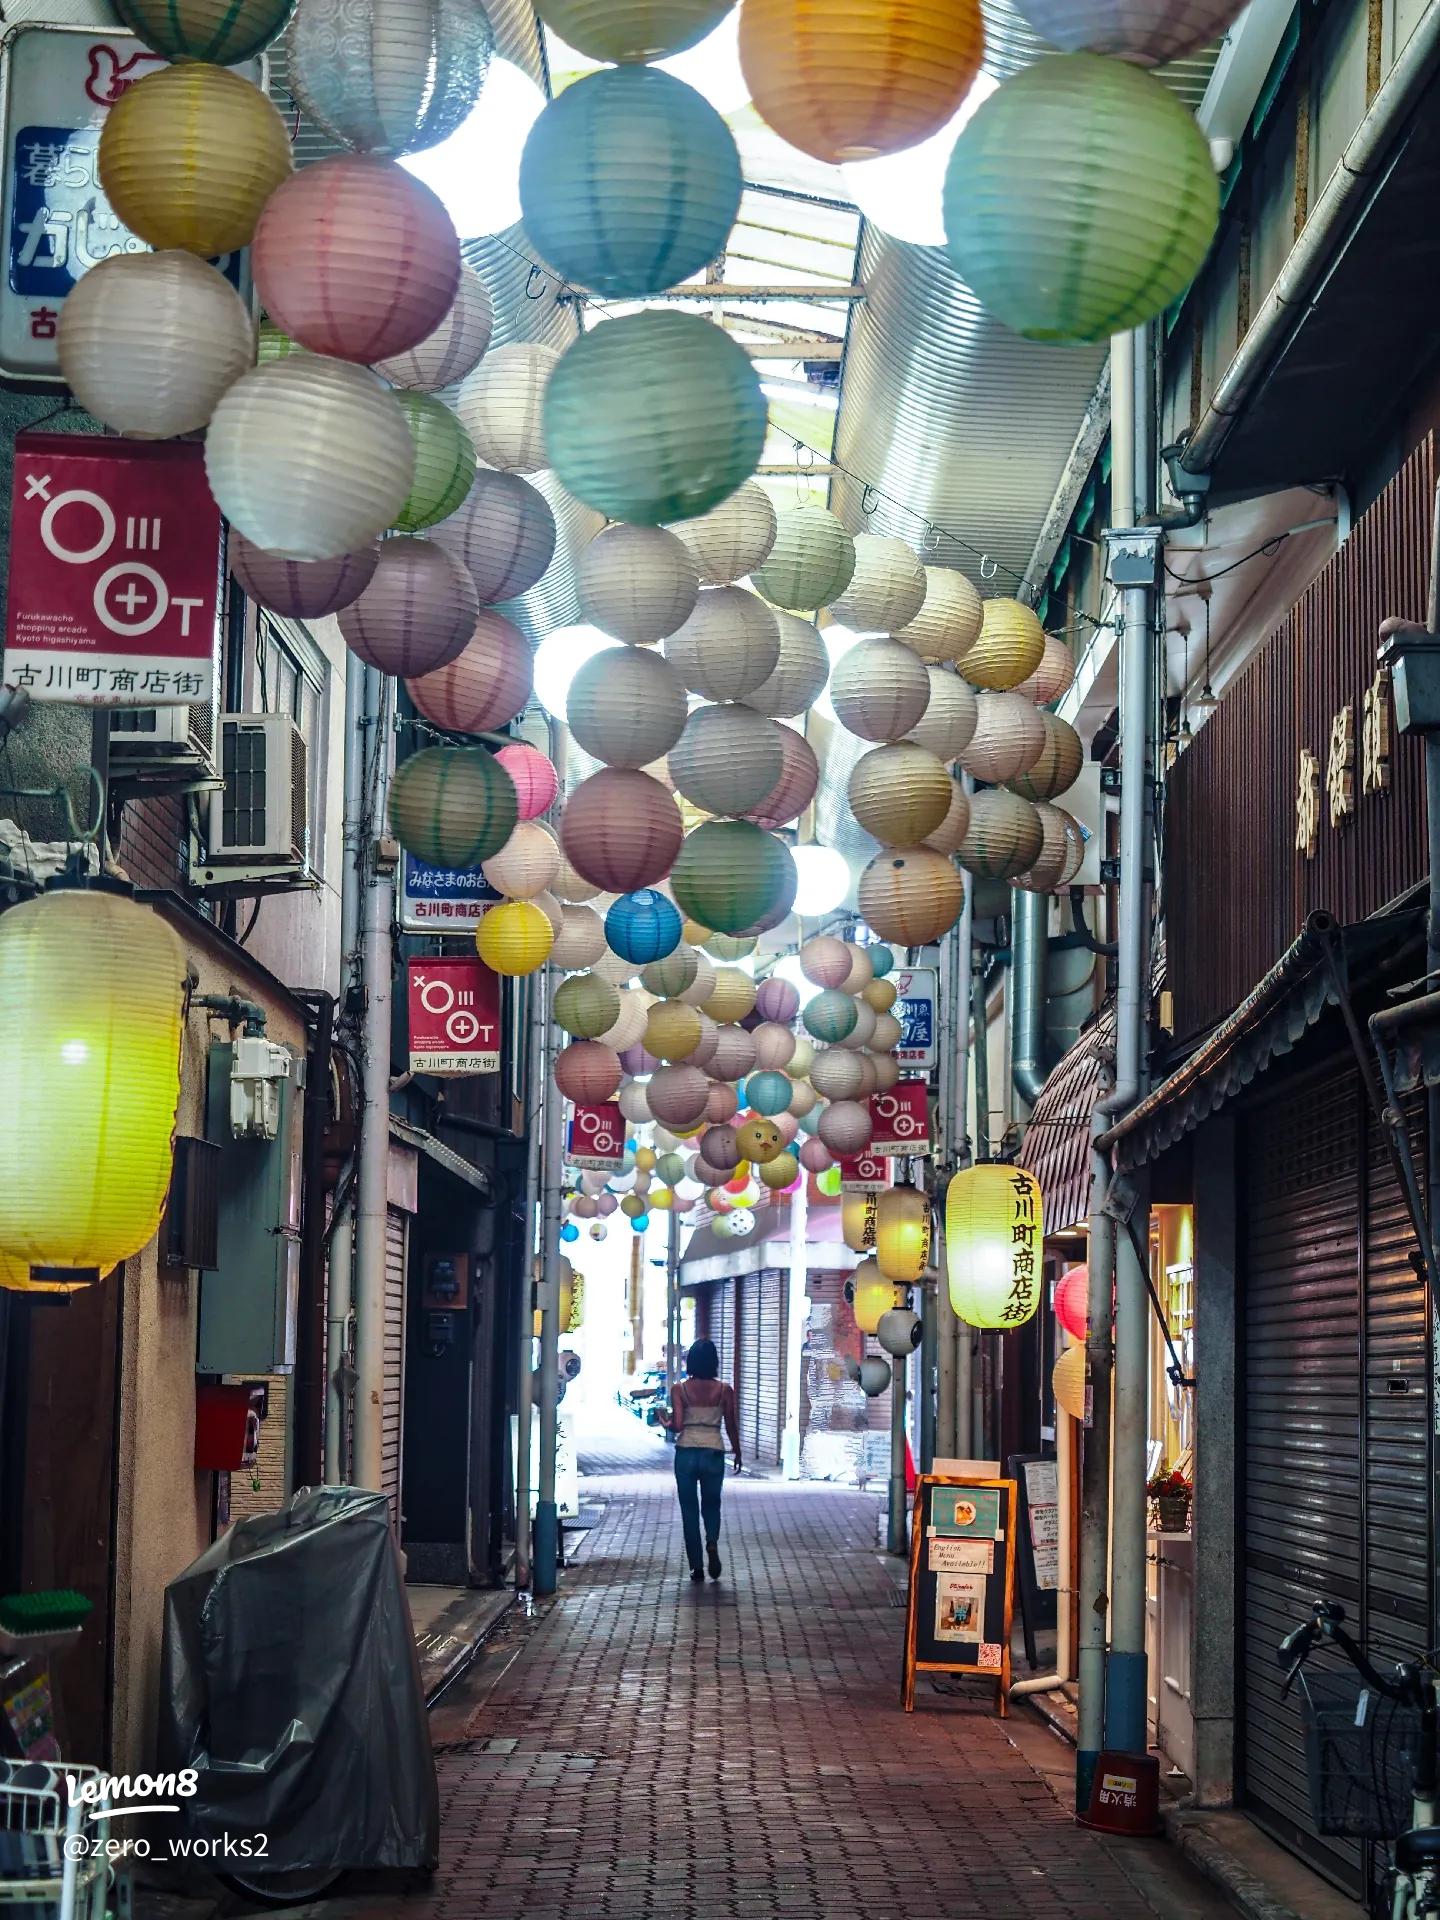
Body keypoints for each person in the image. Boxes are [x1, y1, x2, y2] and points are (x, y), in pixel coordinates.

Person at [661, 1340, 740, 1584]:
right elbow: (730, 1423)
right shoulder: (725, 1390)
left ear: (691, 1361)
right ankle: (712, 1543)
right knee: (711, 1505)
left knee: (689, 1510)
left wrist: (665, 1421)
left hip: (686, 1452)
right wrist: (737, 1450)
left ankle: (696, 1567)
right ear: (714, 1362)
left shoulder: (679, 1389)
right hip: (713, 1450)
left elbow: (677, 1425)